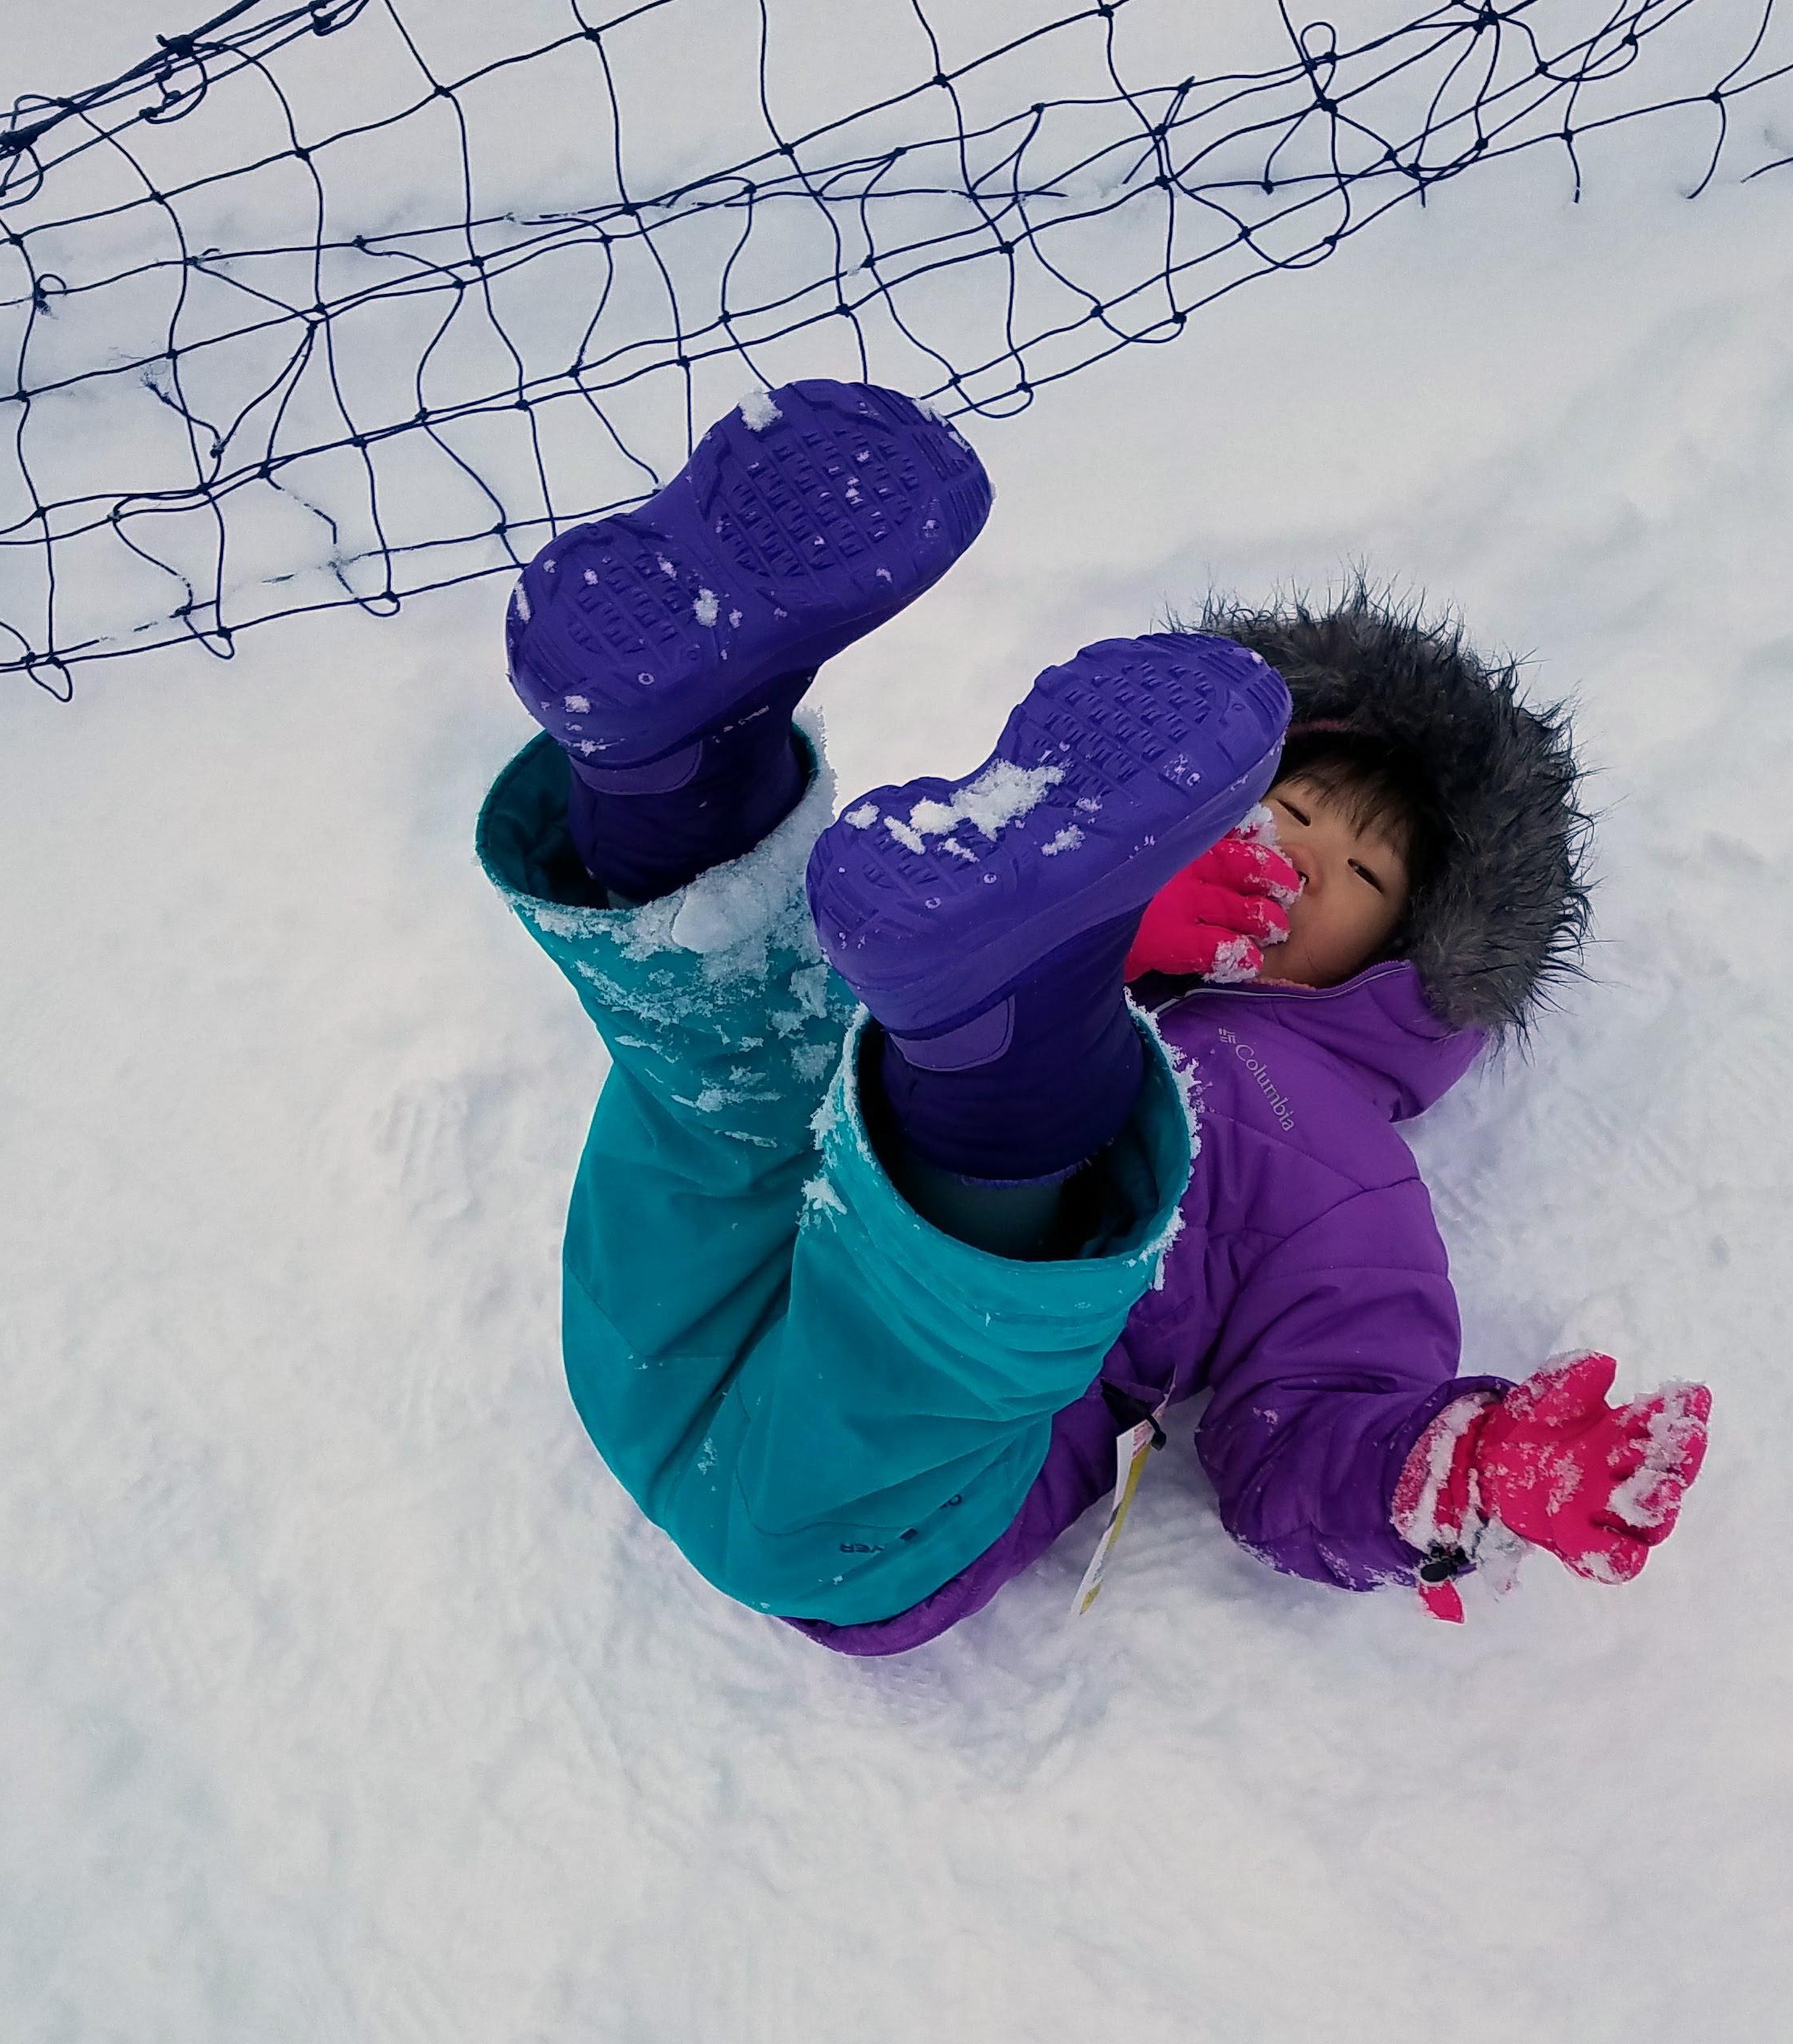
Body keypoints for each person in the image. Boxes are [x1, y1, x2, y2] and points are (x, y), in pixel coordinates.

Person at [477, 378, 1712, 1651]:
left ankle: (1008, 1002)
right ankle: (683, 762)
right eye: (1289, 810)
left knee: (957, 1215)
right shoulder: (941, 917)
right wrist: (1127, 932)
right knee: (753, 1054)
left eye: (1366, 877)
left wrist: (1456, 1466)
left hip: (867, 1501)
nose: (1311, 864)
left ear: (1402, 967)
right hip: (659, 1307)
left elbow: (1313, 1418)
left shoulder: (1329, 1142)